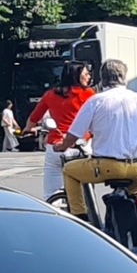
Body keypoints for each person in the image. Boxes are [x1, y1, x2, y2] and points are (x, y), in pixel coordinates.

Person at [61, 60, 137, 238]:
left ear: (102, 78)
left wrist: (61, 146)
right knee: (135, 196)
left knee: (69, 171)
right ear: (124, 77)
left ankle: (80, 217)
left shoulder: (96, 100)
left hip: (108, 166)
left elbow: (74, 134)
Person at [27, 62, 94, 207]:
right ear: (77, 76)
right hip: (81, 145)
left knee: (52, 194)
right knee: (86, 193)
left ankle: (54, 217)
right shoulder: (88, 94)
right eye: (86, 74)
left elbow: (34, 117)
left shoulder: (50, 94)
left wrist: (28, 129)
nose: (89, 76)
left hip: (56, 145)